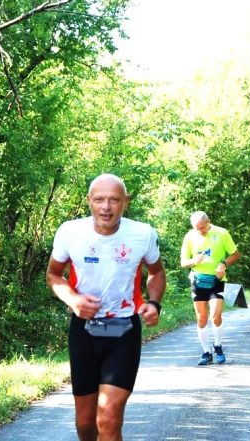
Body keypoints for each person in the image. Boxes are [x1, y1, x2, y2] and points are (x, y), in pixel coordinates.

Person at [46, 173, 166, 441]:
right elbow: (53, 275)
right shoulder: (70, 232)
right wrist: (74, 300)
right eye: (99, 199)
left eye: (114, 200)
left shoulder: (142, 233)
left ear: (126, 202)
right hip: (84, 331)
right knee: (86, 424)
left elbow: (156, 273)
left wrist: (154, 303)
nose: (106, 207)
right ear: (89, 201)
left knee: (108, 418)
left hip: (123, 330)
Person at [180, 211, 240, 366]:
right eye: (196, 228)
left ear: (208, 222)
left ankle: (218, 346)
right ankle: (206, 352)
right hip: (198, 280)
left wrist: (223, 264)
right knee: (201, 318)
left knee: (215, 316)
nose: (200, 231)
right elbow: (183, 262)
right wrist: (193, 260)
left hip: (217, 280)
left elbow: (235, 254)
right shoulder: (189, 237)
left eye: (202, 228)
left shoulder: (222, 233)